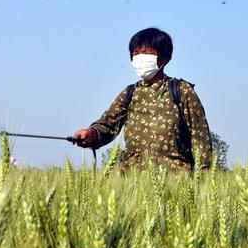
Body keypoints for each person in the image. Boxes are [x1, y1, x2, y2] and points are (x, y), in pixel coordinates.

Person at [73, 27, 213, 173]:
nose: (140, 57)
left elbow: (200, 136)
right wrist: (92, 133)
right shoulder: (130, 93)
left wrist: (204, 177)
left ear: (164, 58)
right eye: (136, 53)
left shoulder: (181, 90)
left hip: (175, 178)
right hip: (133, 178)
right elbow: (108, 125)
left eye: (146, 53)